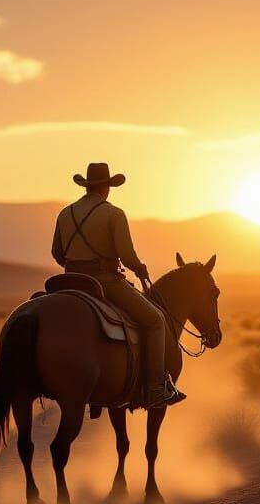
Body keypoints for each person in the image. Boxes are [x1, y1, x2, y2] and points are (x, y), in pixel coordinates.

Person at [51, 162, 185, 408]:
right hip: (105, 282)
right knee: (155, 320)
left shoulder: (65, 213)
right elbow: (126, 256)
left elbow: (57, 253)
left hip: (68, 281)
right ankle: (155, 387)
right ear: (107, 187)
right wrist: (139, 267)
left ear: (87, 185)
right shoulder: (113, 214)